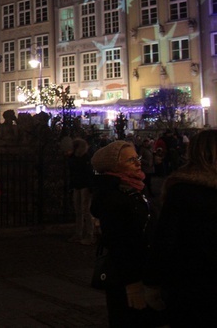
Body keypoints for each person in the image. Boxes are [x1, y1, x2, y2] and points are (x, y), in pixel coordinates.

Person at [89, 140, 165, 327]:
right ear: (114, 166)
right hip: (128, 277)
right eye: (131, 160)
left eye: (136, 157)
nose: (138, 163)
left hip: (146, 269)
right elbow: (118, 242)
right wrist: (132, 283)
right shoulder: (113, 195)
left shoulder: (136, 187)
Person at [147, 130, 217, 326]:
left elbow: (165, 238)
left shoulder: (182, 189)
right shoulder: (183, 190)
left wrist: (153, 281)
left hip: (189, 280)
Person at [65, 137, 95, 245]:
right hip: (78, 185)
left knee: (85, 210)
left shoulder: (85, 158)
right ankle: (79, 233)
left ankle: (89, 234)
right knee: (78, 211)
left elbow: (89, 173)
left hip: (84, 185)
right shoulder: (75, 157)